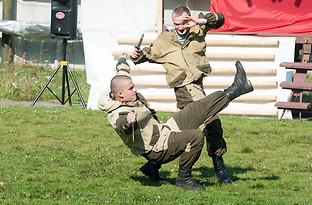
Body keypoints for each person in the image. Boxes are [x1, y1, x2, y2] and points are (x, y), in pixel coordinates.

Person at [98, 57, 253, 190]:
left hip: (163, 130)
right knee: (196, 137)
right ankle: (183, 179)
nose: (135, 90)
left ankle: (237, 88)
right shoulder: (117, 112)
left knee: (197, 108)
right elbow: (121, 124)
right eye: (131, 88)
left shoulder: (121, 90)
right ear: (120, 94)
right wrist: (129, 122)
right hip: (158, 148)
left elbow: (122, 73)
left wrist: (122, 60)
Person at [130, 6, 233, 183]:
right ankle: (219, 167)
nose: (181, 27)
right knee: (212, 122)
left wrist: (198, 21)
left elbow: (220, 19)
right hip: (184, 89)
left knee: (183, 129)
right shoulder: (165, 39)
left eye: (184, 23)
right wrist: (136, 55)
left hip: (198, 86)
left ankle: (153, 166)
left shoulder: (197, 28)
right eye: (177, 24)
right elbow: (146, 54)